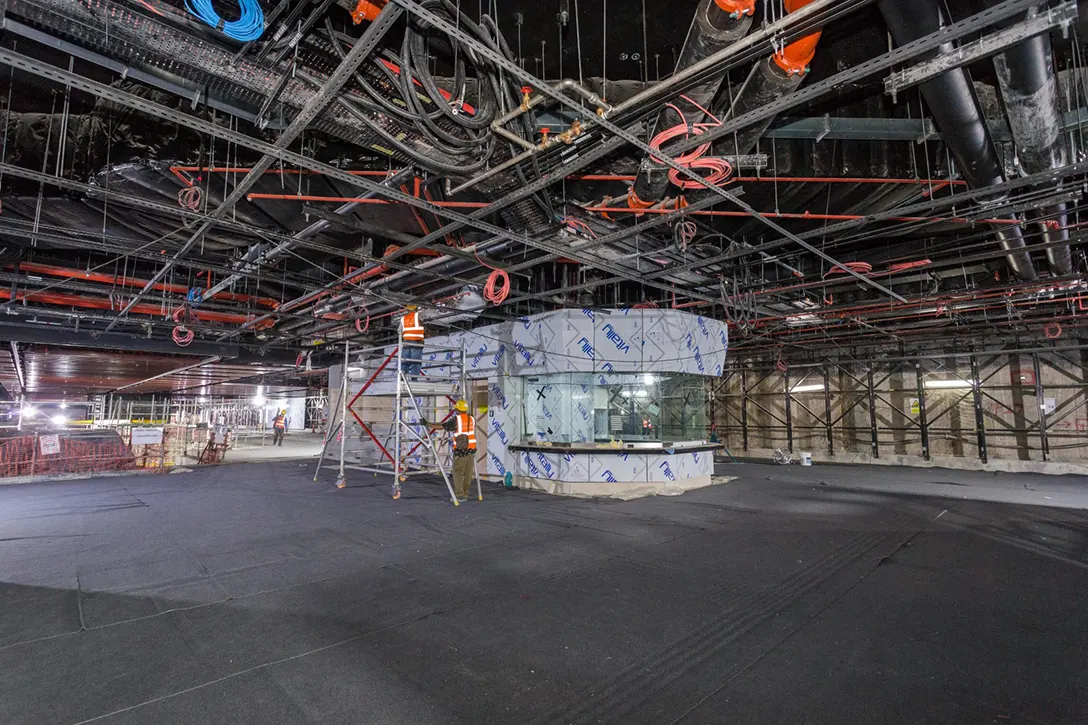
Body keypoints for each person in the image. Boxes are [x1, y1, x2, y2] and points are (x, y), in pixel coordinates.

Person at [428, 400, 475, 502]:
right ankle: (465, 494)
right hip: (471, 450)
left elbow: (442, 426)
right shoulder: (471, 418)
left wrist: (428, 424)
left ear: (457, 409)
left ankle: (459, 495)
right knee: (468, 474)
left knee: (458, 473)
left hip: (461, 451)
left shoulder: (456, 420)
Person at [400, 304, 424, 377]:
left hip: (406, 343)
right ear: (416, 308)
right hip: (416, 341)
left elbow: (399, 331)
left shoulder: (403, 318)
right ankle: (414, 379)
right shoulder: (419, 315)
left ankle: (403, 378)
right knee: (416, 361)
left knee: (405, 361)